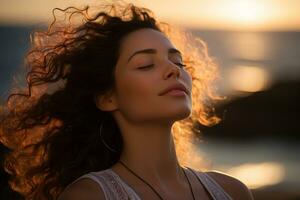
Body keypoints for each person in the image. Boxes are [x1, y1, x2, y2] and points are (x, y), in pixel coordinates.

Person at [0, 1, 254, 200]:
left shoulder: (233, 191)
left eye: (178, 62)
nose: (173, 70)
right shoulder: (90, 196)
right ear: (107, 98)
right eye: (146, 65)